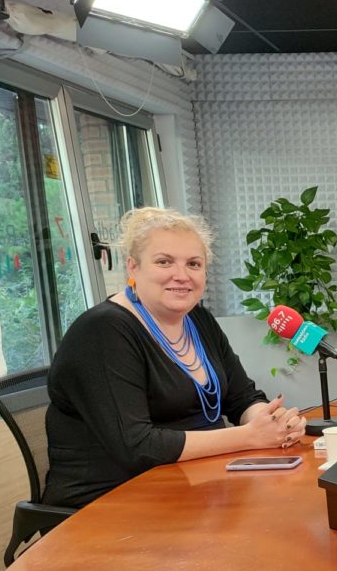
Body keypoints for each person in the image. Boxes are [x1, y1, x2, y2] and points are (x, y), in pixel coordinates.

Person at [43, 208, 306, 509]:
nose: (181, 276)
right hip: (110, 502)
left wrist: (271, 421)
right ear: (133, 267)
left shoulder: (198, 320)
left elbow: (241, 397)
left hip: (196, 484)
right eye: (164, 261)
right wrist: (249, 436)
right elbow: (138, 446)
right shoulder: (103, 330)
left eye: (194, 264)